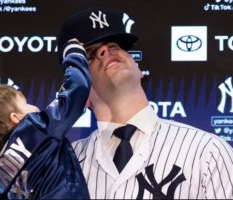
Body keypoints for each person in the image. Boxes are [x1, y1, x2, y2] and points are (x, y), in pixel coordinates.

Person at [57, 7, 233, 199]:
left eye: (114, 46)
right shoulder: (64, 166)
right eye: (90, 55)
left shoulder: (207, 152)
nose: (105, 51)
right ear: (80, 93)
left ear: (139, 70)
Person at [0, 39, 91, 199]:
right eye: (26, 103)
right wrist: (73, 51)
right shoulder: (36, 130)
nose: (35, 107)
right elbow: (78, 86)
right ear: (16, 118)